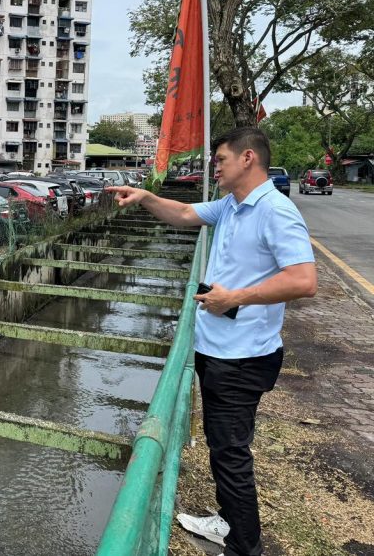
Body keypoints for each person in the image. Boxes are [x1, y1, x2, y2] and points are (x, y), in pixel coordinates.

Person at [106, 127, 317, 556]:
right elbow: (184, 214)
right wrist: (145, 198)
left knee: (231, 456)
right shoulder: (231, 206)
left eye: (220, 159)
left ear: (247, 159)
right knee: (225, 449)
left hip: (242, 357)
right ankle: (229, 521)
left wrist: (235, 297)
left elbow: (304, 280)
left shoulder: (274, 210)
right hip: (219, 351)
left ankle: (244, 546)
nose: (214, 167)